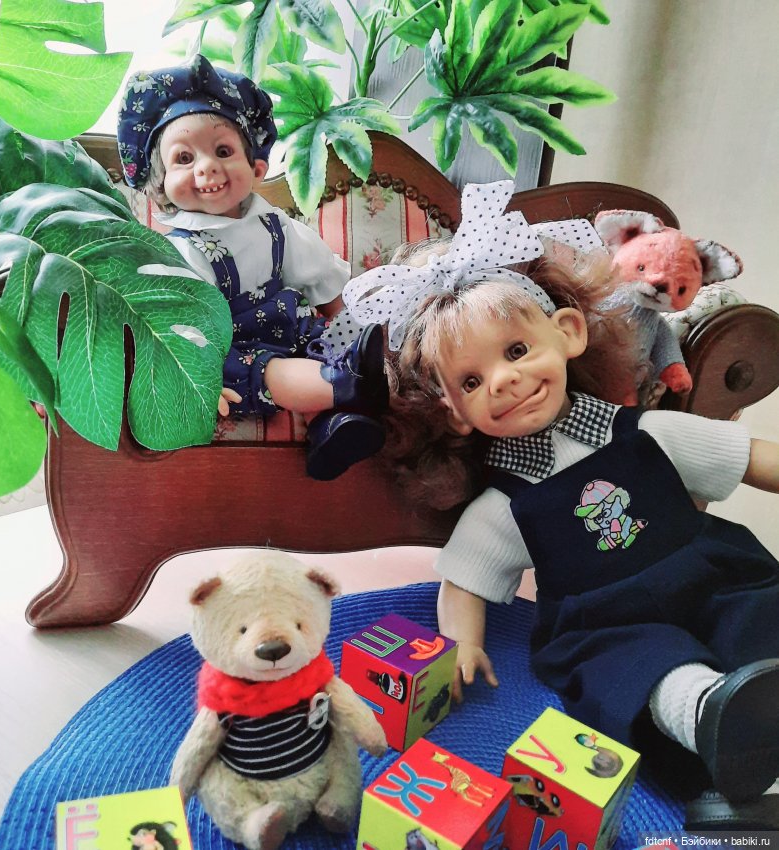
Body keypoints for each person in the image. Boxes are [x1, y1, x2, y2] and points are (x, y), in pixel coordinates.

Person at [345, 180, 779, 828]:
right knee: (628, 664)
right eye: (472, 380)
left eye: (517, 351)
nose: (505, 379)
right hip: (603, 617)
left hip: (707, 573)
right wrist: (461, 644)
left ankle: (755, 714)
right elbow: (465, 579)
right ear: (455, 412)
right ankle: (707, 713)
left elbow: (747, 456)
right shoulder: (504, 505)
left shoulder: (649, 432)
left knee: (757, 611)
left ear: (569, 333)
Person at [116, 54, 386, 480]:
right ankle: (353, 385)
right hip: (233, 348)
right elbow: (179, 325)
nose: (207, 166)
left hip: (292, 327)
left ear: (256, 168)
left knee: (323, 340)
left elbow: (321, 279)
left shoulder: (275, 225)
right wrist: (195, 379)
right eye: (183, 158)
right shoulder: (182, 252)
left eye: (223, 151)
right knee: (270, 371)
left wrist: (349, 327)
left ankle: (332, 432)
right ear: (160, 185)